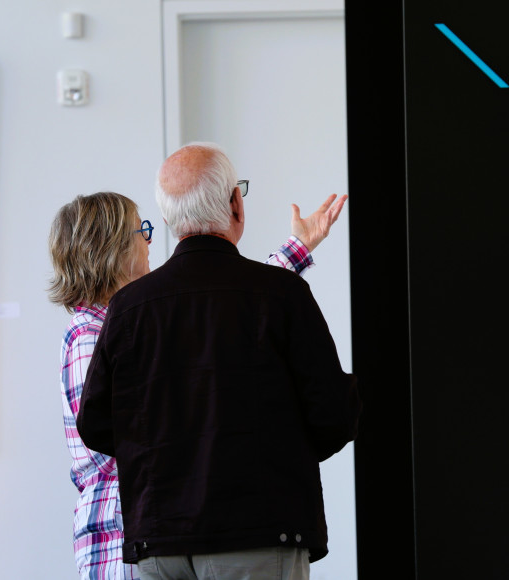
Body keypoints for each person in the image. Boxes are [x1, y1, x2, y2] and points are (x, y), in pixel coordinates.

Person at [76, 142, 361, 580]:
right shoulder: (280, 295)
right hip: (260, 533)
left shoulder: (129, 308)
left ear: (169, 219)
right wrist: (283, 453)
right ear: (235, 203)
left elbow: (95, 423)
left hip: (158, 543)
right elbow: (335, 416)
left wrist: (168, 457)